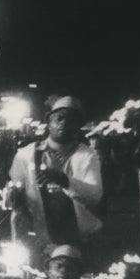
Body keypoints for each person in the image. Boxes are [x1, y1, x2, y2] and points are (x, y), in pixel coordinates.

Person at [9, 96, 103, 259]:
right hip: (39, 240)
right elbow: (13, 194)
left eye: (71, 120)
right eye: (59, 118)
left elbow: (95, 195)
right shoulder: (26, 154)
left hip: (77, 239)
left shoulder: (87, 155)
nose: (64, 123)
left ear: (78, 126)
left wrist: (64, 180)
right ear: (49, 122)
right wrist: (12, 196)